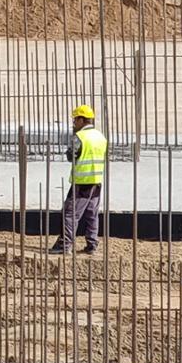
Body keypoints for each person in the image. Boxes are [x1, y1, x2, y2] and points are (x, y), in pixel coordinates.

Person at [49, 104, 107, 255]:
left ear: (82, 120)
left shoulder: (80, 137)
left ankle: (64, 245)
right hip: (97, 181)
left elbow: (71, 155)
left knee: (70, 213)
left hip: (82, 182)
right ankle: (92, 245)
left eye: (75, 120)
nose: (74, 123)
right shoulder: (101, 137)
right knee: (91, 214)